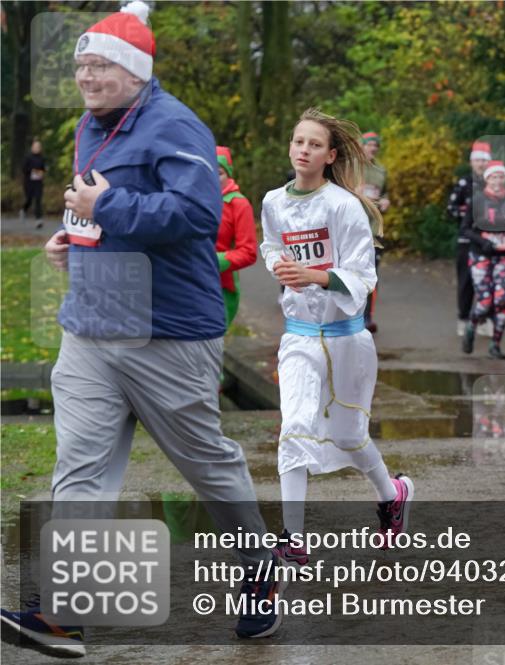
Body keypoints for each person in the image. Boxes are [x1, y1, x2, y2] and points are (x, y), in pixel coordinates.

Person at [0, 3, 284, 653]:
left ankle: (259, 566)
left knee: (208, 465)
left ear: (133, 70)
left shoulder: (174, 125)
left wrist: (109, 206)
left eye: (98, 65)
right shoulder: (87, 126)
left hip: (168, 333)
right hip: (93, 326)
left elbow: (194, 213)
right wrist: (74, 236)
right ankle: (64, 614)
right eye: (79, 65)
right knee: (80, 468)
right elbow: (92, 202)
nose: (85, 77)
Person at [260, 108, 414, 557]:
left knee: (349, 436)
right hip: (299, 337)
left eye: (313, 144)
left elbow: (364, 277)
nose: (303, 150)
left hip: (347, 337)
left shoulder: (343, 207)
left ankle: (393, 495)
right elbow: (271, 244)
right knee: (294, 428)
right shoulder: (273, 202)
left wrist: (313, 274)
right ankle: (294, 539)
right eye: (298, 141)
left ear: (330, 155)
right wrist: (277, 266)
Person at [460, 160, 505, 359]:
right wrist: (482, 241)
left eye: (501, 177)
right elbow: (465, 229)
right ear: (487, 179)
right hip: (481, 256)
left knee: (502, 299)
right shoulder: (477, 201)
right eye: (493, 177)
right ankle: (472, 325)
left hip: (503, 257)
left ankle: (495, 345)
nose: (497, 181)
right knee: (485, 302)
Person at [447, 141, 493, 339]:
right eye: (477, 161)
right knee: (466, 281)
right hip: (467, 239)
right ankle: (463, 319)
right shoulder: (464, 183)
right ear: (471, 162)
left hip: (489, 241)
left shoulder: (495, 184)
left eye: (484, 161)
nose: (481, 164)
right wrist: (469, 214)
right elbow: (451, 209)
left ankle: (484, 319)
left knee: (488, 281)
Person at [215, 146, 258, 329]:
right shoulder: (192, 199)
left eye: (218, 173)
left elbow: (248, 252)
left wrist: (212, 260)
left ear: (229, 175)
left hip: (221, 286)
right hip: (187, 281)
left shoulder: (238, 204)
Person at [360, 131, 388, 333]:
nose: (372, 149)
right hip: (352, 228)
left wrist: (386, 200)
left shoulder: (381, 170)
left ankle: (367, 317)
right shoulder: (349, 167)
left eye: (375, 147)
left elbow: (385, 192)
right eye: (369, 145)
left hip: (373, 229)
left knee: (371, 274)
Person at [21, 139, 46, 228]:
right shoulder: (28, 157)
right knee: (29, 199)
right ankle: (24, 209)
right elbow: (24, 169)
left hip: (38, 183)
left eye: (39, 147)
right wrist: (32, 171)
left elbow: (43, 169)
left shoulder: (42, 158)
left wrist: (41, 172)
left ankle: (38, 220)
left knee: (38, 200)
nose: (37, 148)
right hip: (29, 183)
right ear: (32, 147)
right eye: (35, 146)